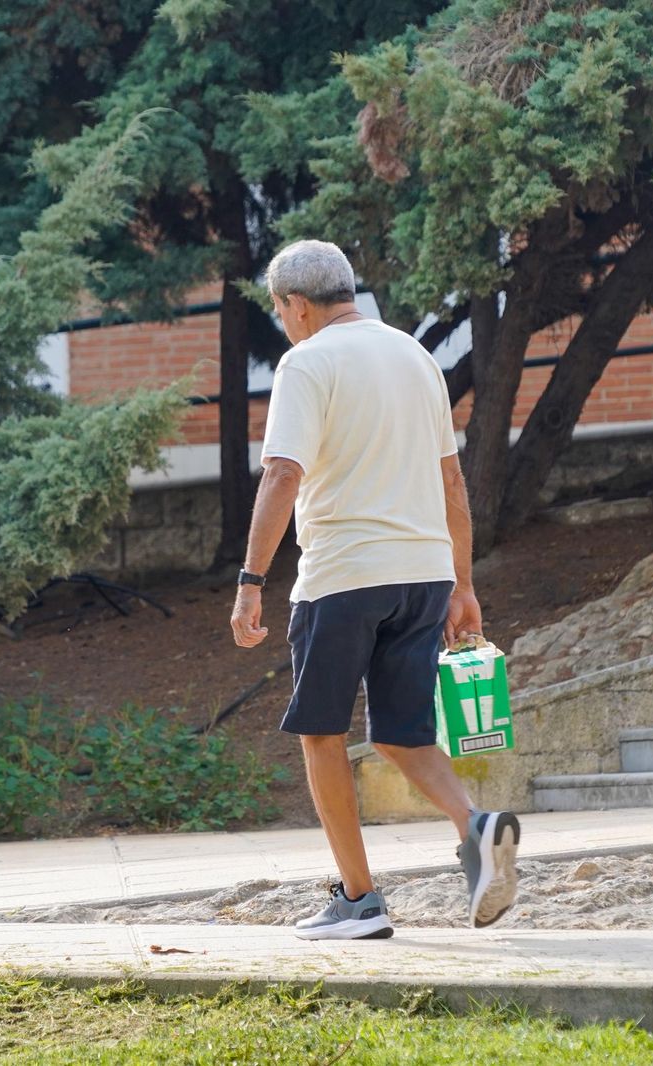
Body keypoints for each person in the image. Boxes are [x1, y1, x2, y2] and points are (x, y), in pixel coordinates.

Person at [229, 239, 520, 940]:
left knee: (320, 734)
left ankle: (359, 902)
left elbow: (283, 473)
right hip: (423, 575)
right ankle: (475, 825)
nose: (284, 323)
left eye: (280, 310)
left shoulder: (307, 361)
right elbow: (451, 479)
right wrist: (463, 584)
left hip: (344, 575)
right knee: (399, 733)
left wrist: (250, 580)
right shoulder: (414, 356)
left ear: (298, 305)